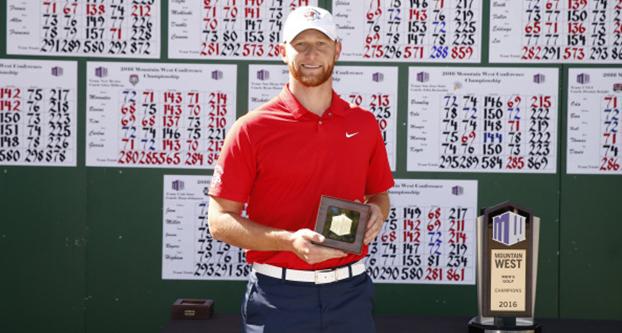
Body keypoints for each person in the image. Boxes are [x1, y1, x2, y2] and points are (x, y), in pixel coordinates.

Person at [208, 6, 394, 333]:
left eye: (321, 44)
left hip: (350, 293)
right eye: (301, 44)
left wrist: (378, 211)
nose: (311, 54)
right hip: (278, 297)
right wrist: (289, 242)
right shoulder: (251, 128)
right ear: (283, 52)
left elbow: (379, 193)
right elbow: (219, 221)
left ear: (337, 49)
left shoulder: (363, 124)